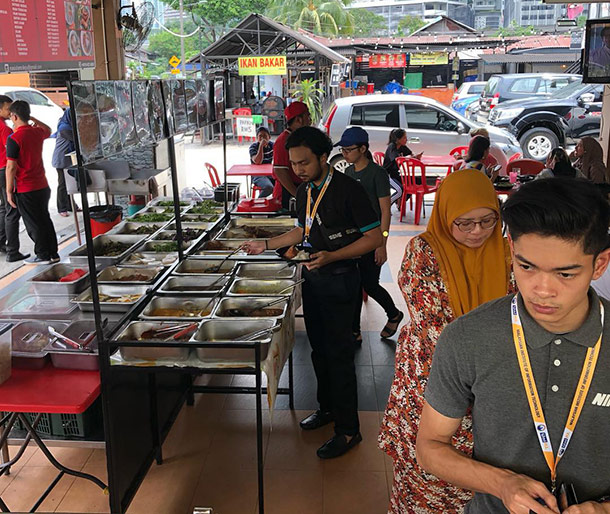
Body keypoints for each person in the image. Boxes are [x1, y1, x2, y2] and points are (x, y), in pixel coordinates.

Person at [416, 177, 610, 514]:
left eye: (565, 274)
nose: (542, 290)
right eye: (526, 266)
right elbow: (430, 446)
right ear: (511, 250)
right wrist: (502, 484)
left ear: (600, 264)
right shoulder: (467, 337)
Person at [243, 126, 383, 459]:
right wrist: (265, 244)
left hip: (341, 278)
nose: (299, 169)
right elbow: (300, 230)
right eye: (293, 163)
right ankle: (327, 409)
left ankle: (349, 431)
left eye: (305, 162)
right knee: (318, 351)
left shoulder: (349, 190)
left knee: (339, 356)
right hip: (314, 279)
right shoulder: (305, 191)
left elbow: (374, 237)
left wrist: (333, 255)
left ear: (323, 157)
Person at [379, 169, 513, 513]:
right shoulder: (423, 252)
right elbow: (437, 329)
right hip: (434, 381)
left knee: (482, 484)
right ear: (444, 215)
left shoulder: (508, 252)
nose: (478, 232)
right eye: (464, 223)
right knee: (427, 479)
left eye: (487, 220)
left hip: (494, 388)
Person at [337, 126, 404, 343]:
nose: (345, 154)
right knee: (355, 285)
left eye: (348, 150)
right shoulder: (348, 172)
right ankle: (354, 331)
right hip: (354, 239)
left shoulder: (377, 174)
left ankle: (393, 313)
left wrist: (382, 243)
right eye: (343, 150)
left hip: (373, 238)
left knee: (370, 284)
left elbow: (386, 210)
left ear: (363, 148)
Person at [6, 101, 59, 265]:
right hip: (42, 185)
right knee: (44, 219)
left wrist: (9, 191)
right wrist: (33, 119)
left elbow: (11, 167)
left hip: (25, 187)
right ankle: (53, 252)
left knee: (33, 223)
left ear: (14, 116)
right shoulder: (36, 132)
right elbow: (48, 130)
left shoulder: (14, 139)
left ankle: (43, 255)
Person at [0, 95, 28, 263]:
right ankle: (13, 250)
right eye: (7, 108)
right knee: (11, 210)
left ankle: (1, 241)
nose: (10, 112)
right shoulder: (5, 130)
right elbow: (12, 159)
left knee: (3, 208)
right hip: (5, 171)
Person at [271, 101, 311, 209]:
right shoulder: (283, 140)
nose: (310, 120)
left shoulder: (298, 137)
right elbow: (280, 171)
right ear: (299, 119)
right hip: (286, 193)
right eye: (308, 115)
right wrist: (297, 194)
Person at [382, 128, 422, 206]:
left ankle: (400, 202)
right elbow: (397, 159)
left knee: (416, 181)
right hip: (387, 175)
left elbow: (410, 153)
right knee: (400, 190)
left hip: (396, 175)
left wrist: (415, 156)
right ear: (398, 139)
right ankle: (385, 207)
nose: (406, 140)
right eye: (404, 138)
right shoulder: (392, 147)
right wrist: (410, 158)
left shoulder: (402, 146)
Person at [51, 108, 75, 217]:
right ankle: (62, 208)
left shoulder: (69, 125)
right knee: (63, 184)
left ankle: (70, 205)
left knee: (70, 183)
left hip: (69, 158)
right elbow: (76, 139)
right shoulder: (64, 128)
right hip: (61, 159)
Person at [248, 126, 275, 198]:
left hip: (270, 173)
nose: (263, 138)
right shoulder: (253, 147)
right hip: (257, 174)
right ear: (257, 138)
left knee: (283, 184)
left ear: (269, 137)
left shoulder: (272, 145)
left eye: (265, 136)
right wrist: (261, 147)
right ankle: (257, 203)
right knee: (269, 187)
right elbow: (257, 161)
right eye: (260, 136)